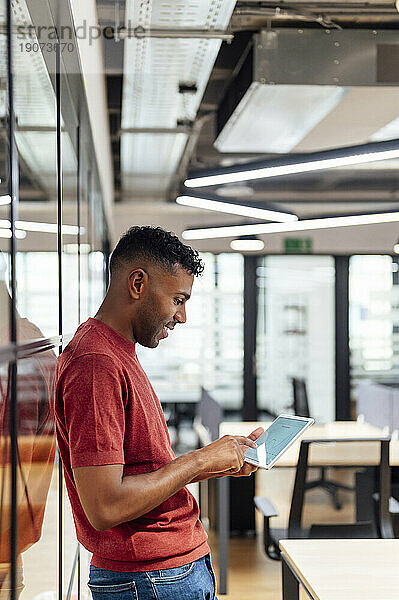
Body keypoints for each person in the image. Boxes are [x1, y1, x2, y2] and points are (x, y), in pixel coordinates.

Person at [55, 226, 263, 600]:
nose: (181, 316)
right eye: (177, 299)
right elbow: (105, 505)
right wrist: (199, 461)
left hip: (164, 573)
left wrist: (219, 460)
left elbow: (143, 470)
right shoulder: (95, 364)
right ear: (138, 284)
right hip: (151, 579)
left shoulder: (116, 351)